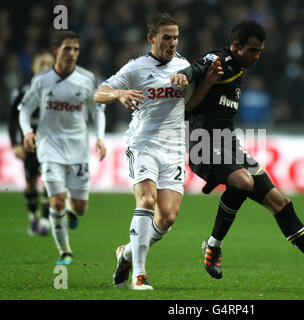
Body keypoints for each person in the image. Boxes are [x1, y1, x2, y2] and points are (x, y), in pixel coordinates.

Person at [179, 20, 304, 284]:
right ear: (236, 46)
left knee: (281, 203)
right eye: (252, 51)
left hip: (229, 146)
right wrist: (183, 75)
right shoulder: (219, 60)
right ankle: (213, 245)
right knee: (242, 181)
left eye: (259, 51)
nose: (256, 57)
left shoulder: (239, 69)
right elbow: (196, 68)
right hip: (202, 145)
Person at [94, 13, 190, 290]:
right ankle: (139, 274)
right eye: (166, 37)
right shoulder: (136, 68)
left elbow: (195, 102)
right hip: (143, 143)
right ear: (151, 38)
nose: (172, 42)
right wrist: (119, 94)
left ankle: (125, 253)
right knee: (146, 201)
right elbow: (99, 92)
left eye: (175, 37)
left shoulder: (185, 67)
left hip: (173, 148)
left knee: (167, 218)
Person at [19, 30, 107, 265]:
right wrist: (28, 131)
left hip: (78, 149)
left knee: (80, 208)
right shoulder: (42, 80)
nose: (72, 53)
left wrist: (99, 137)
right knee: (56, 201)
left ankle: (72, 210)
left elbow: (97, 111)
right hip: (49, 148)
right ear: (57, 50)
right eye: (68, 48)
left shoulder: (87, 79)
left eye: (76, 49)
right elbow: (24, 110)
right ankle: (65, 251)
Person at [9, 51, 54, 236]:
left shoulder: (59, 89)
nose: (45, 68)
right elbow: (13, 120)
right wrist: (15, 144)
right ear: (33, 67)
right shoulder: (23, 90)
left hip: (51, 142)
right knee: (31, 183)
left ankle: (44, 221)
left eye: (49, 64)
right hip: (29, 143)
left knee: (51, 179)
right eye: (41, 64)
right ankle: (33, 216)